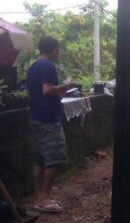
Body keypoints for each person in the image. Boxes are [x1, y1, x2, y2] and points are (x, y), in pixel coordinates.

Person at [27, 36, 76, 213]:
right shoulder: (48, 66)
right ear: (54, 49)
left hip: (36, 116)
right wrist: (66, 86)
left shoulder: (32, 67)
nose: (59, 53)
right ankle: (44, 198)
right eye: (58, 49)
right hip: (48, 119)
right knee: (54, 156)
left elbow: (32, 95)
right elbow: (47, 90)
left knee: (41, 158)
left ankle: (37, 197)